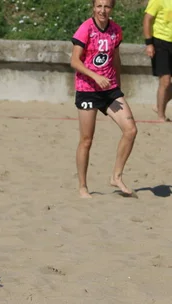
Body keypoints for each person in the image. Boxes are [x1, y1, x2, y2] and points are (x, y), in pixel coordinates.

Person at [70, 0, 138, 199]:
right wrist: (95, 76)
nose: (102, 10)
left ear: (112, 8)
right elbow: (74, 60)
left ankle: (116, 176)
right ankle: (83, 186)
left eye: (106, 6)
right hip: (88, 89)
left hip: (110, 89)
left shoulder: (115, 30)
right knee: (86, 140)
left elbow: (116, 58)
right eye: (99, 6)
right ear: (93, 7)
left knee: (131, 130)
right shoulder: (85, 28)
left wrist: (118, 83)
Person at [143, 0, 172, 122]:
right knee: (165, 81)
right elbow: (147, 20)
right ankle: (161, 116)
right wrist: (149, 43)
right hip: (161, 42)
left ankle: (159, 105)